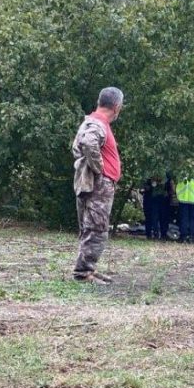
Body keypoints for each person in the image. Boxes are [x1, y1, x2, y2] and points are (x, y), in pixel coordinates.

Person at [71, 87, 124, 283]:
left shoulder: (91, 121)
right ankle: (83, 273)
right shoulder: (98, 123)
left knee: (91, 227)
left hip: (94, 183)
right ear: (117, 106)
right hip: (99, 185)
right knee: (96, 229)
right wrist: (100, 168)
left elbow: (78, 147)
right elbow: (87, 143)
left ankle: (88, 268)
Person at [175, 173, 194, 243]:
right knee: (192, 220)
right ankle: (192, 237)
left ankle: (184, 237)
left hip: (183, 199)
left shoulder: (180, 174)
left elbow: (174, 185)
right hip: (193, 200)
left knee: (183, 219)